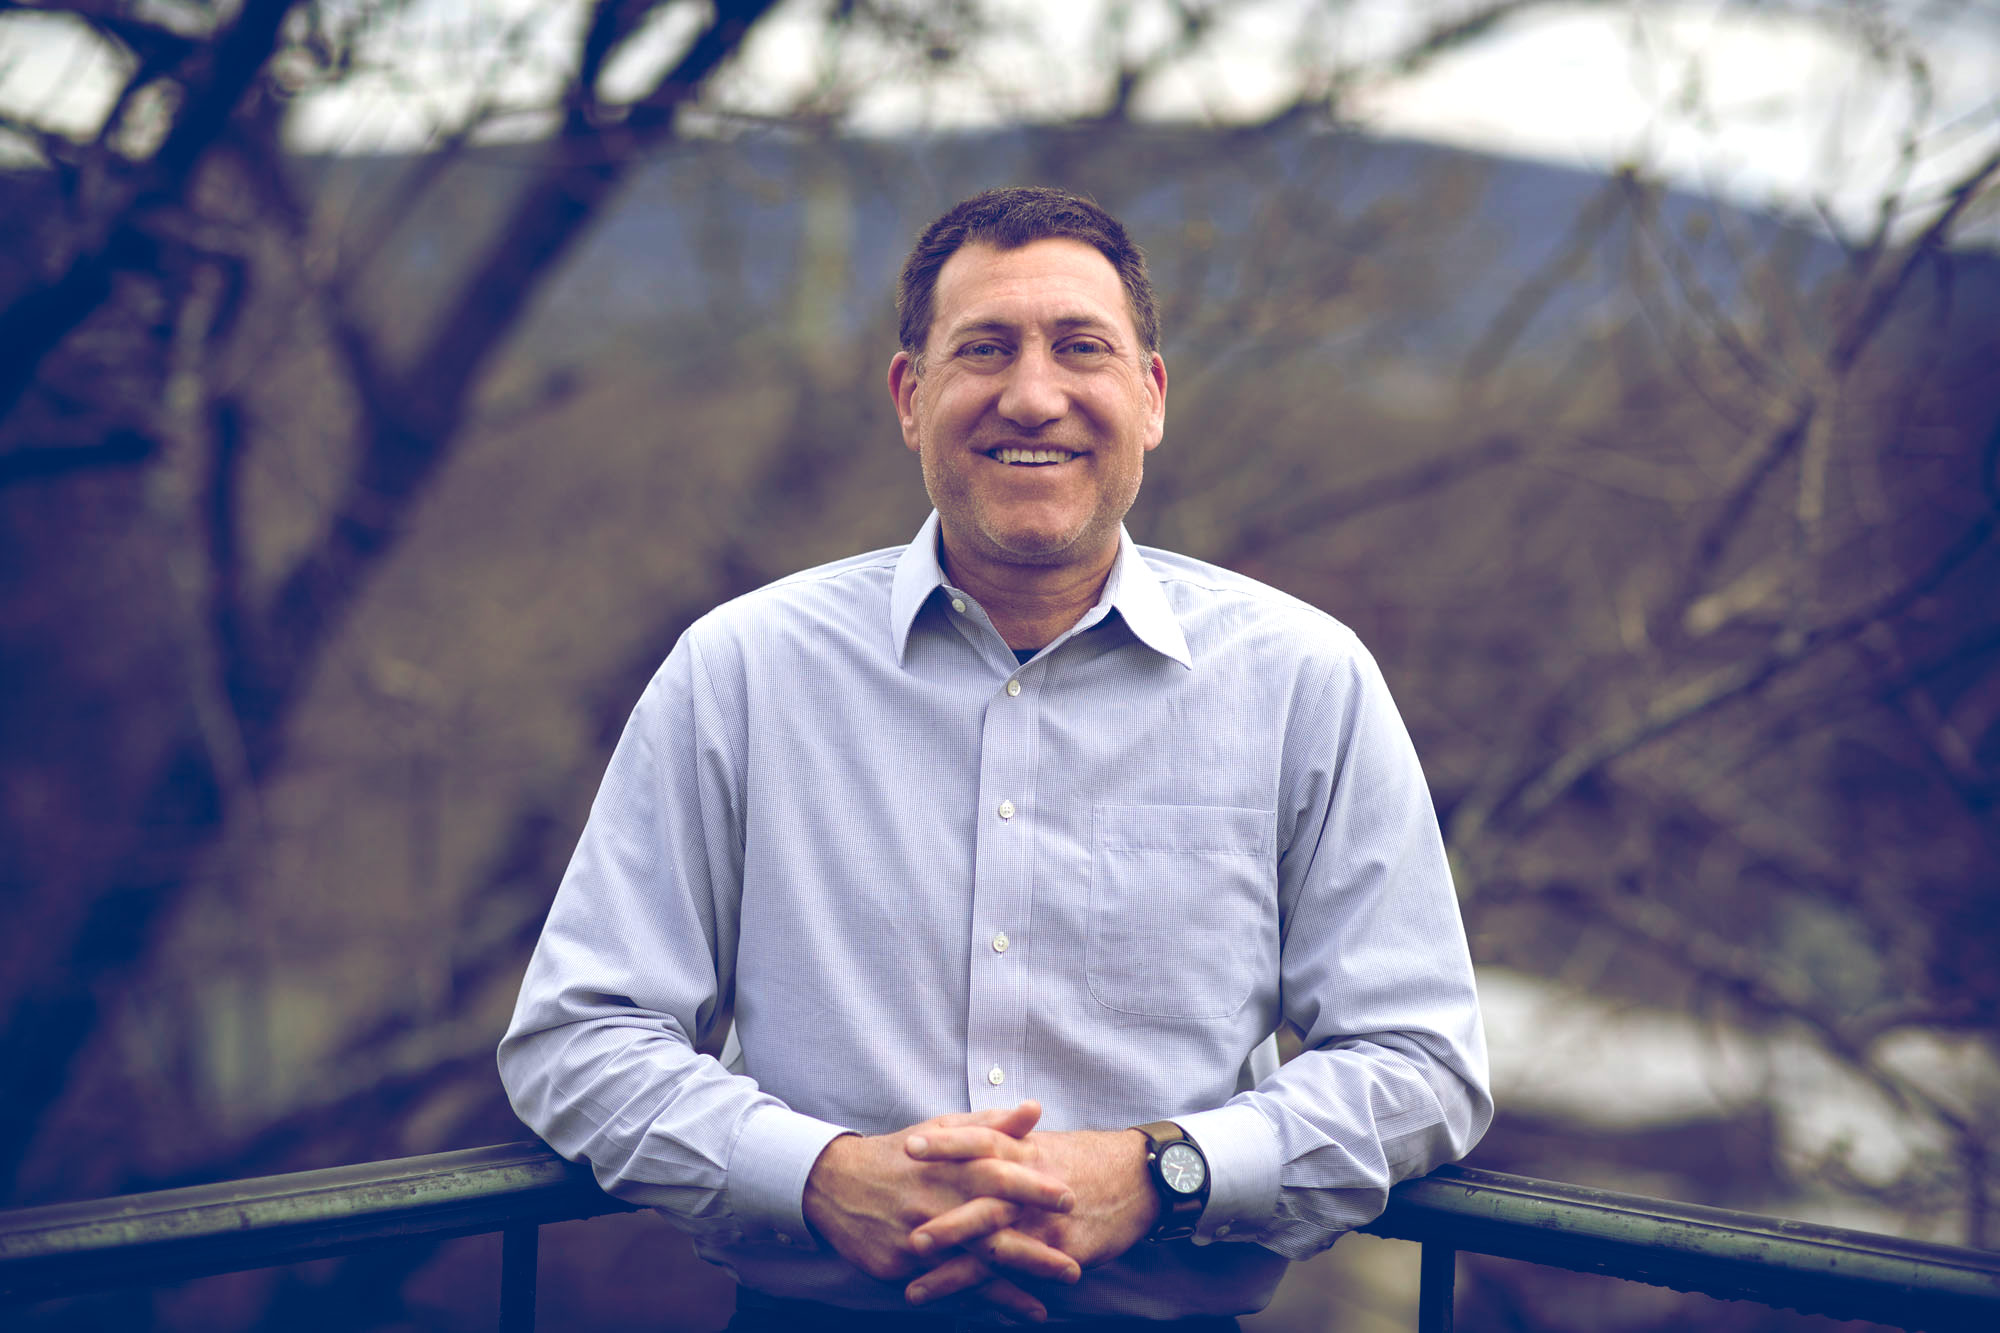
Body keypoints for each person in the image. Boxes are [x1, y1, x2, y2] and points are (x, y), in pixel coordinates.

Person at [498, 187, 1490, 1330]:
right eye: (983, 349)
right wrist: (815, 1175)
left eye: (1082, 348)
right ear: (909, 398)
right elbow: (577, 1039)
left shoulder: (1301, 679)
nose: (1033, 394)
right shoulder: (742, 668)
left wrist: (1165, 1170)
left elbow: (1420, 1062)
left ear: (1150, 396)